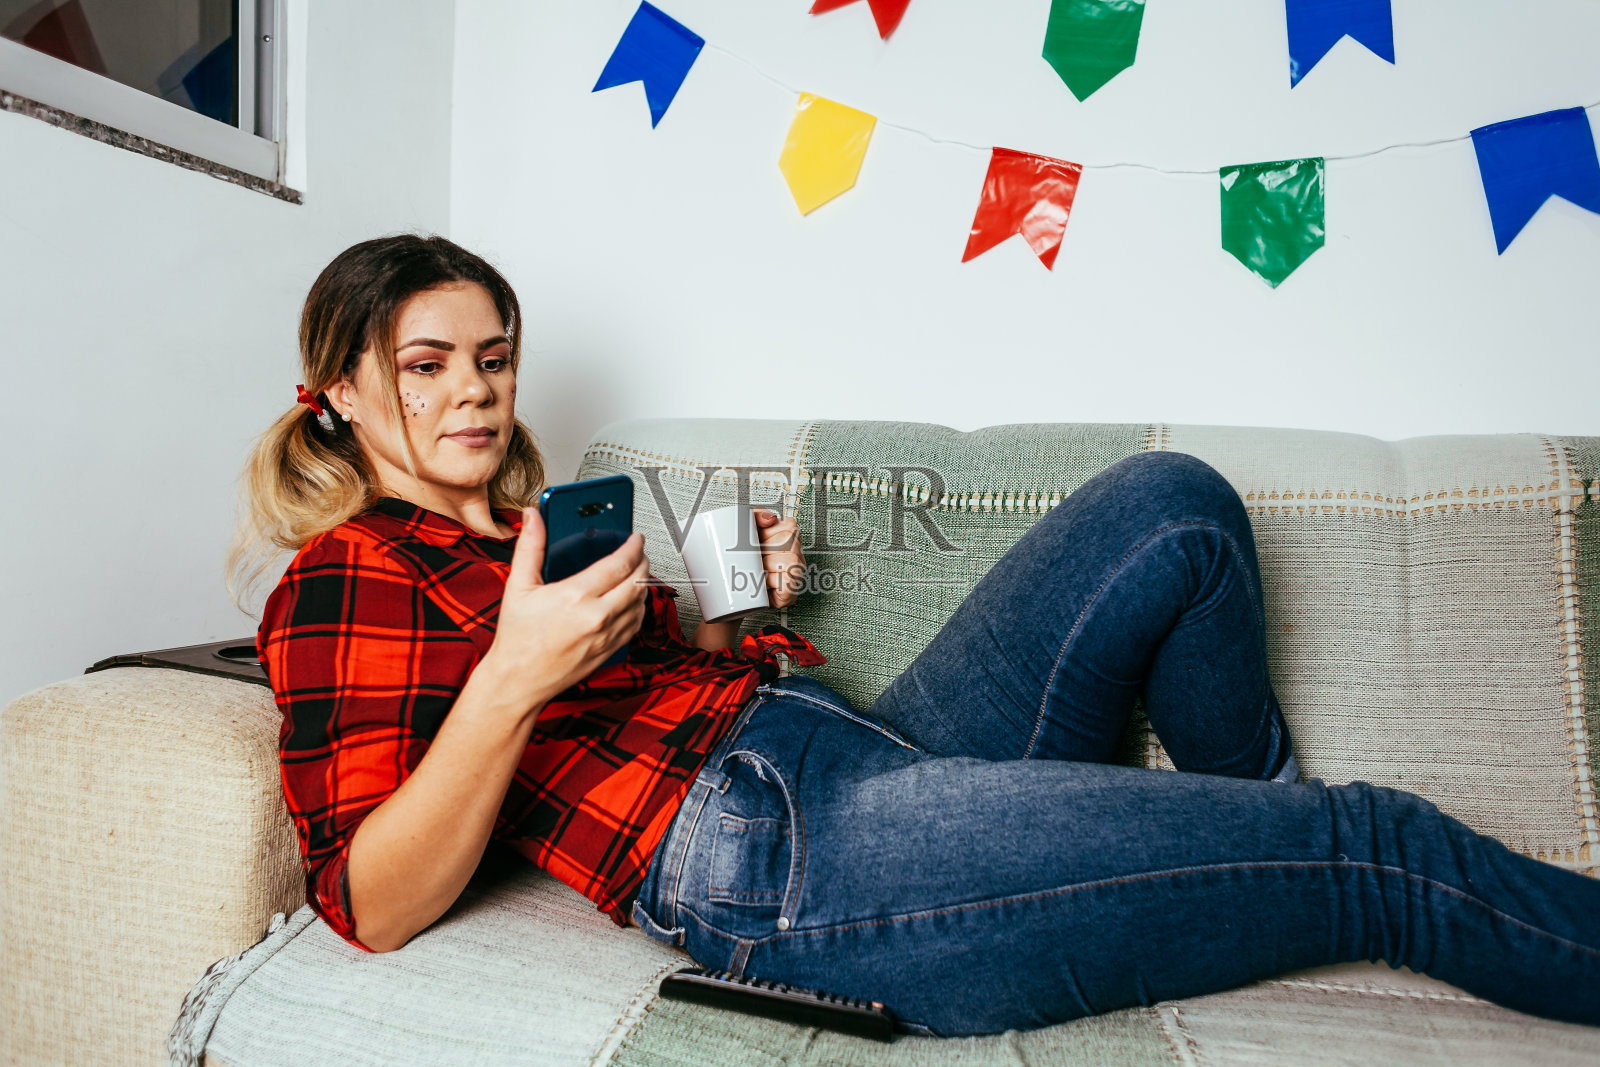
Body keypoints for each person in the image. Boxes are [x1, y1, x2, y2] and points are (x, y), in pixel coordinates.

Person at [232, 234, 1600, 1038]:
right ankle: (1294, 859)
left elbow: (669, 696)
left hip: (860, 751)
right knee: (1383, 845)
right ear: (343, 391)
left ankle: (1243, 841)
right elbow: (370, 902)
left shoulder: (537, 534)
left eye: (491, 355)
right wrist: (511, 684)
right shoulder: (349, 576)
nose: (473, 390)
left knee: (1172, 509)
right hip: (772, 862)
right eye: (425, 365)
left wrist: (728, 614)